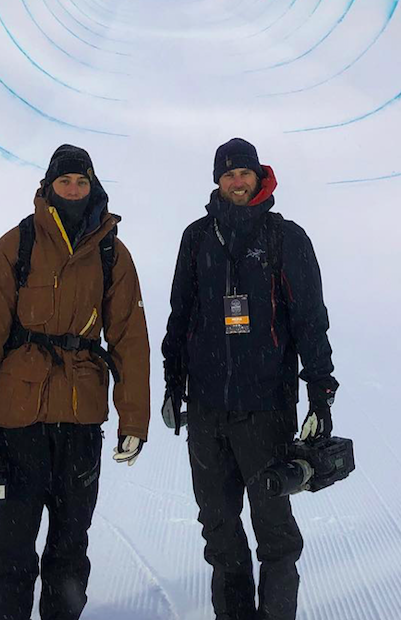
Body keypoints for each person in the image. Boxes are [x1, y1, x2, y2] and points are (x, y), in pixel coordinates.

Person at [0, 144, 150, 620]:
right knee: (14, 545)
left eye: (82, 182)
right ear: (48, 187)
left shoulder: (112, 253)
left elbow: (129, 338)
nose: (74, 190)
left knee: (69, 545)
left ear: (93, 186)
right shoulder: (15, 245)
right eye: (65, 182)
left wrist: (134, 420)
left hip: (81, 421)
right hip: (18, 421)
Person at [162, 137, 339, 620]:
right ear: (217, 181)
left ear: (259, 177)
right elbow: (181, 314)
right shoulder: (197, 237)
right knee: (220, 532)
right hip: (206, 412)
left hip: (266, 410)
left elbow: (310, 320)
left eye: (244, 173)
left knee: (274, 530)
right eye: (227, 175)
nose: (236, 182)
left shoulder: (286, 238)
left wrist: (319, 392)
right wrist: (172, 380)